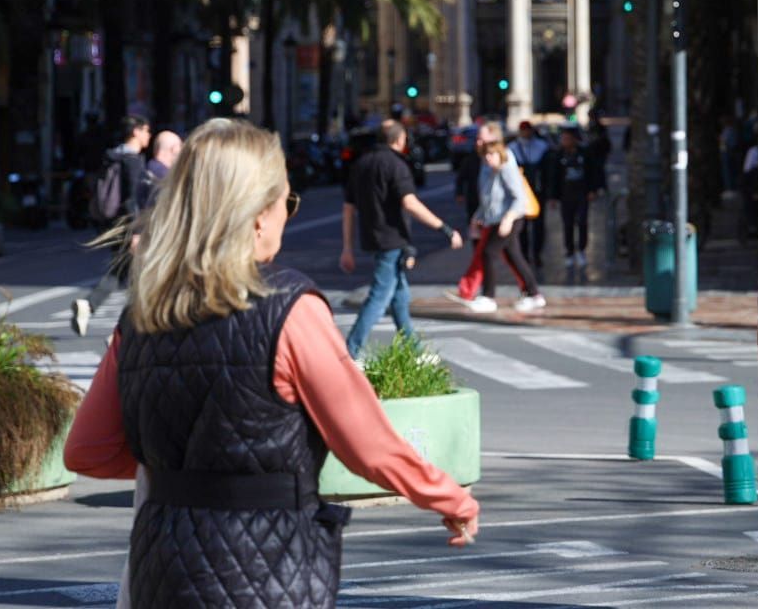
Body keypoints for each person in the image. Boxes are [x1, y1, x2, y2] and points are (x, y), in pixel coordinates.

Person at [63, 119, 478, 608]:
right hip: (267, 567)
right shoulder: (289, 308)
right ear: (259, 214)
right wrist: (448, 496)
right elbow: (366, 443)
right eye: (286, 202)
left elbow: (86, 451)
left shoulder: (143, 313)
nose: (287, 213)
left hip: (162, 564)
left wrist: (181, 472)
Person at [340, 119, 463, 358]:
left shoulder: (361, 164)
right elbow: (410, 203)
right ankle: (350, 351)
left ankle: (414, 350)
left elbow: (348, 208)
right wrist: (445, 229)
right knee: (379, 297)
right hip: (392, 239)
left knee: (400, 297)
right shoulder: (396, 165)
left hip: (373, 237)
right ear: (399, 140)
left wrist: (347, 248)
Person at [73, 115, 155, 337]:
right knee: (143, 277)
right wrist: (137, 231)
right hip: (130, 225)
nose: (149, 135)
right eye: (146, 130)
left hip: (114, 223)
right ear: (136, 132)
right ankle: (126, 332)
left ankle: (90, 307)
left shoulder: (112, 157)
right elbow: (132, 199)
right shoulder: (133, 161)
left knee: (121, 273)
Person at [453, 135, 545, 312]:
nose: (488, 158)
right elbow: (487, 200)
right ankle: (534, 294)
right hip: (496, 219)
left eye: (492, 154)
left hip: (509, 219)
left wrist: (508, 219)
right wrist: (477, 217)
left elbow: (519, 198)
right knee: (513, 256)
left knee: (489, 253)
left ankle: (489, 297)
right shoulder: (490, 172)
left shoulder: (506, 169)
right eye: (486, 155)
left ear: (500, 154)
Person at [548, 126, 603, 281]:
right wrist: (553, 197)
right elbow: (554, 177)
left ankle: (581, 250)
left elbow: (593, 171)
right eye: (563, 139)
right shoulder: (559, 156)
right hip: (566, 196)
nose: (565, 141)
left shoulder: (584, 153)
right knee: (567, 224)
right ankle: (569, 251)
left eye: (568, 138)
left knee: (582, 222)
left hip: (582, 194)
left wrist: (593, 190)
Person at [510, 121, 551, 280]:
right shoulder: (513, 148)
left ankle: (537, 253)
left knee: (539, 224)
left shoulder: (541, 147)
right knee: (522, 226)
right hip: (521, 193)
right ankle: (525, 254)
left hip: (537, 191)